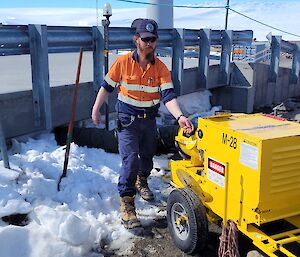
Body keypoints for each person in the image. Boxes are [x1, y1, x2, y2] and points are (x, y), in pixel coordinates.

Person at [92, 18, 194, 229]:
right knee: (130, 161)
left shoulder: (161, 68)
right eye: (146, 39)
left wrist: (180, 117)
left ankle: (142, 180)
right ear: (136, 39)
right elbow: (106, 87)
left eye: (153, 39)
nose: (149, 43)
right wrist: (96, 108)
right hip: (127, 120)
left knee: (147, 157)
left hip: (148, 121)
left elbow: (168, 96)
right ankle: (127, 204)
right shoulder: (122, 63)